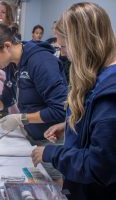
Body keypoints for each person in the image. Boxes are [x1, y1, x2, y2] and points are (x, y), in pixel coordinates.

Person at [31, 2, 116, 199]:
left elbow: (99, 166)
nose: (64, 54)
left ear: (82, 43)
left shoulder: (111, 94)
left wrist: (52, 153)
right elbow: (95, 121)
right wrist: (71, 125)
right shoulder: (99, 75)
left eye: (63, 46)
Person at [0, 22, 67, 182]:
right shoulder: (12, 64)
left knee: (53, 184)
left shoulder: (41, 62)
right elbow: (6, 98)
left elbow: (60, 110)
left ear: (6, 46)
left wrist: (21, 118)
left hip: (51, 137)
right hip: (31, 135)